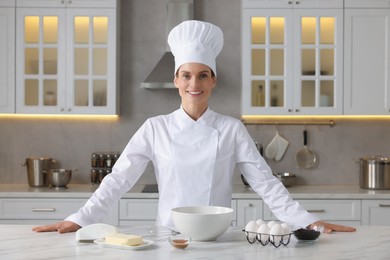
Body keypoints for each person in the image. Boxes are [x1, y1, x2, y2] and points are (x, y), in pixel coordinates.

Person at [33, 20, 355, 234]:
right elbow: (118, 180)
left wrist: (308, 221)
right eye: (187, 75)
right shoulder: (154, 128)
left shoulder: (231, 129)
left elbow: (266, 184)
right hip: (167, 237)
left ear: (213, 80)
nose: (194, 83)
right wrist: (79, 219)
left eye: (203, 75)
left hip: (220, 238)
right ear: (176, 80)